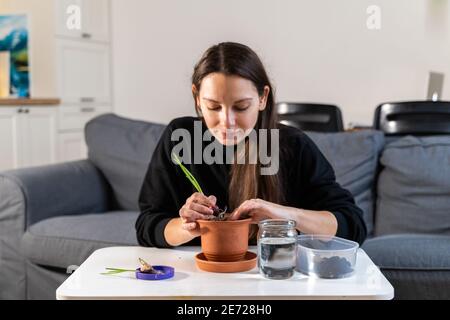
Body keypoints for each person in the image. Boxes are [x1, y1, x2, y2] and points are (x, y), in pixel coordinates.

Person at [136, 42, 367, 248]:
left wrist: (282, 215)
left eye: (241, 107)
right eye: (214, 107)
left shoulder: (293, 145)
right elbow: (147, 225)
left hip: (271, 277)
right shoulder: (180, 137)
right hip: (199, 277)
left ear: (262, 98)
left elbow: (352, 225)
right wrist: (185, 227)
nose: (227, 122)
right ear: (197, 98)